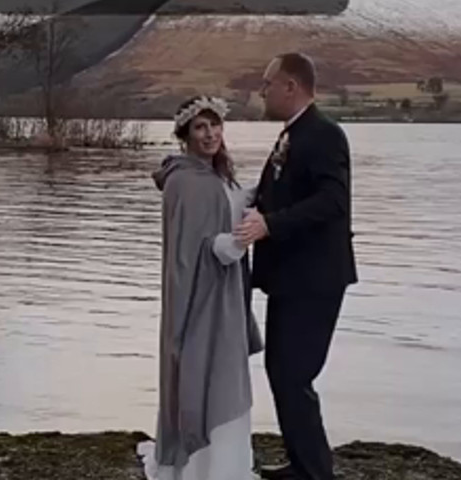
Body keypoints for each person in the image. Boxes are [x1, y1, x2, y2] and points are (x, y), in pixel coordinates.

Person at [236, 53, 358, 480]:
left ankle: (315, 472)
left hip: (315, 278)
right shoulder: (293, 134)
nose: (262, 90)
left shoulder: (324, 135)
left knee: (294, 374)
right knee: (282, 371)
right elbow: (277, 193)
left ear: (291, 86)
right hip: (290, 279)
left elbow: (332, 201)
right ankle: (302, 463)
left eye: (268, 83)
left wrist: (271, 225)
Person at [136, 95, 264, 480]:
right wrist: (240, 242)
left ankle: (226, 466)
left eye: (215, 126)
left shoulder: (215, 176)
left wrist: (273, 184)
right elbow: (197, 250)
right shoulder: (185, 182)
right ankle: (201, 471)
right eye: (200, 128)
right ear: (185, 135)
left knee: (223, 376)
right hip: (201, 301)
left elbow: (231, 205)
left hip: (220, 297)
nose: (210, 134)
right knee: (208, 375)